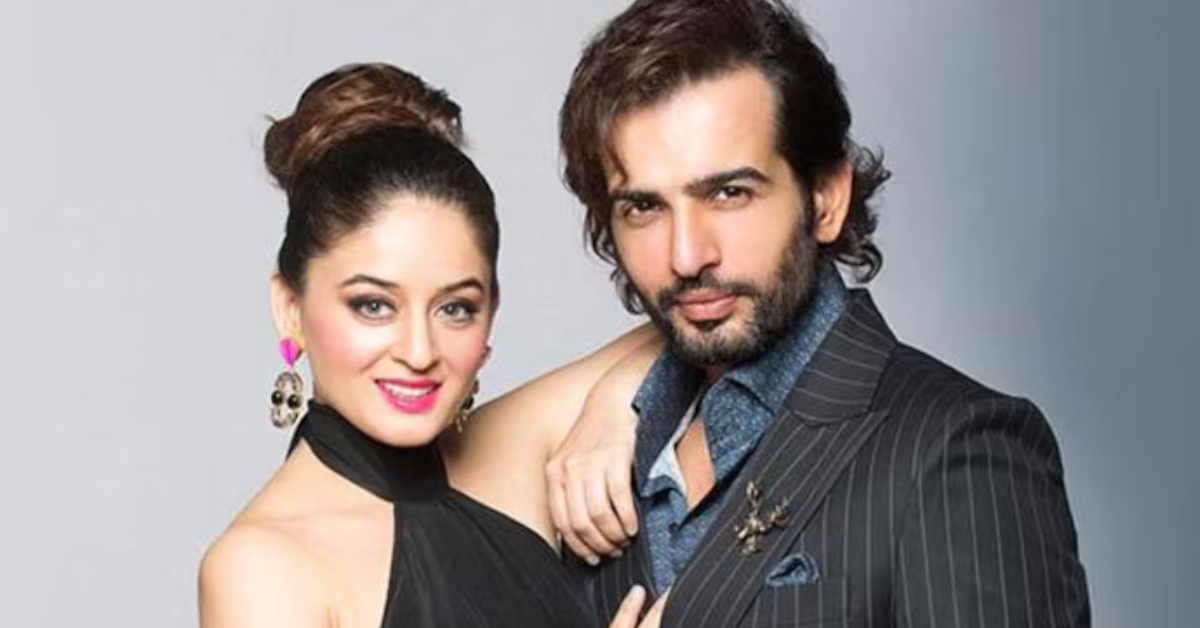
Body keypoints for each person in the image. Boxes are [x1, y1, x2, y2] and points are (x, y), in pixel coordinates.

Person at [545, 0, 1092, 626]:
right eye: (644, 208)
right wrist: (615, 396)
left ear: (826, 198)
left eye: (729, 193)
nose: (686, 255)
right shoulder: (593, 452)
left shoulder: (957, 444)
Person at [198, 63, 663, 628]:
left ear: (491, 310)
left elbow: (700, 323)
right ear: (290, 307)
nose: (419, 352)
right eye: (373, 305)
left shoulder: (516, 448)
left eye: (455, 308)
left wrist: (618, 402)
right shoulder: (261, 569)